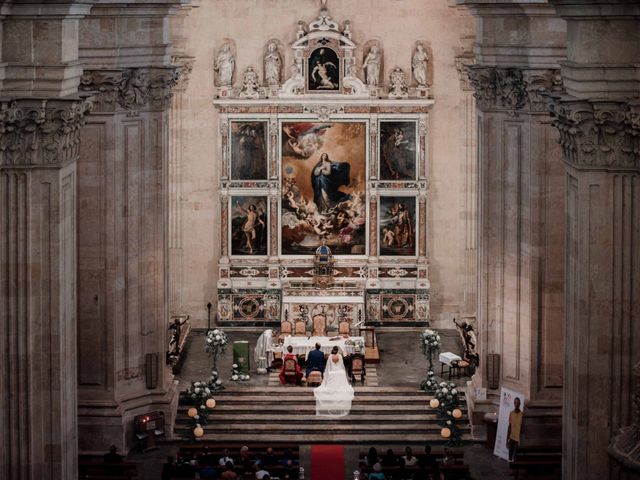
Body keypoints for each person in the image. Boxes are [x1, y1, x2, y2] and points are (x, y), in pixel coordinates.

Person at [314, 346, 354, 417]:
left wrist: (326, 376)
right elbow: (342, 366)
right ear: (337, 350)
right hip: (339, 372)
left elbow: (328, 367)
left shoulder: (330, 357)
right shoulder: (340, 356)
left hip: (332, 373)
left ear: (333, 350)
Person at [507, 397, 524, 462]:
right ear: (514, 403)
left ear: (520, 404)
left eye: (517, 402)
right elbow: (509, 426)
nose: (516, 404)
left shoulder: (522, 415)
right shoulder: (511, 413)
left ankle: (515, 471)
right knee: (510, 457)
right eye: (515, 402)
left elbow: (522, 428)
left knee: (516, 457)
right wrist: (507, 438)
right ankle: (510, 471)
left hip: (518, 439)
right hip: (511, 437)